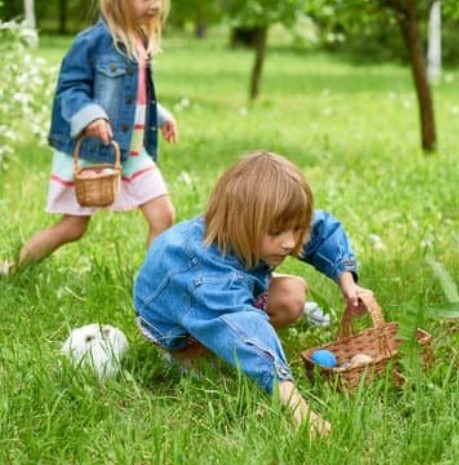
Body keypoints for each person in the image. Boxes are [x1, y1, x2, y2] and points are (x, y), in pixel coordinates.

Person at [134, 150, 371, 435]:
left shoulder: (255, 228)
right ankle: (184, 357)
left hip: (228, 287)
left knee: (293, 296)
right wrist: (298, 408)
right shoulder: (205, 273)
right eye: (276, 233)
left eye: (295, 230)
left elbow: (319, 230)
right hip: (180, 327)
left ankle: (242, 316)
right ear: (240, 223)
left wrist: (346, 279)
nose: (289, 242)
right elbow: (246, 329)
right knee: (225, 351)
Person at [15, 0, 177, 267]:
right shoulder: (93, 42)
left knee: (164, 216)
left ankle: (152, 286)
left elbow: (135, 97)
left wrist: (161, 117)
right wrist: (91, 115)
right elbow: (70, 88)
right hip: (96, 151)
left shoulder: (139, 39)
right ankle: (17, 268)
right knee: (73, 226)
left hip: (134, 151)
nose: (154, 4)